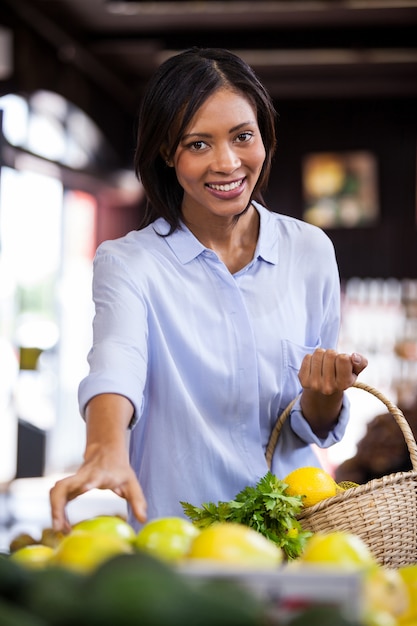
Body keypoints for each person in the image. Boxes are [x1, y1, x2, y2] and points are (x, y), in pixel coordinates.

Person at [50, 47, 368, 533]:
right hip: (176, 549)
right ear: (165, 152)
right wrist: (105, 448)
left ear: (263, 133)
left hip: (295, 538)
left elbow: (312, 426)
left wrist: (325, 393)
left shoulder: (310, 251)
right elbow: (118, 360)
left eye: (243, 136)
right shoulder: (131, 263)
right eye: (198, 144)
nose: (227, 163)